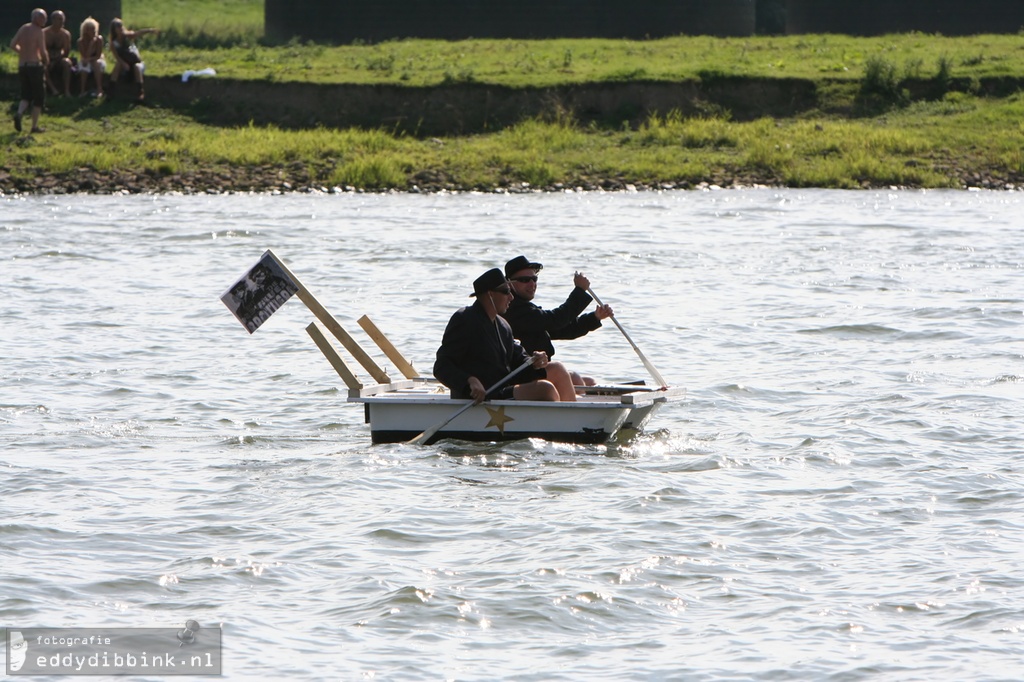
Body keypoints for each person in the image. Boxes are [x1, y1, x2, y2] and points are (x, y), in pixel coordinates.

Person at [434, 268, 576, 403]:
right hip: (482, 396)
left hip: (502, 389)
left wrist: (535, 361)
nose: (511, 297)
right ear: (490, 294)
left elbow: (519, 359)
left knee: (557, 369)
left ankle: (574, 422)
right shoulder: (465, 319)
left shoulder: (503, 325)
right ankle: (561, 425)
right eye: (507, 291)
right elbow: (442, 366)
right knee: (545, 389)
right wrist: (469, 381)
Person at [503, 255, 614, 387]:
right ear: (509, 283)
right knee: (576, 379)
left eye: (534, 279)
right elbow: (556, 320)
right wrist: (579, 291)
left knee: (589, 382)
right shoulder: (513, 309)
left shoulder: (526, 310)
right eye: (525, 280)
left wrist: (595, 317)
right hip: (519, 375)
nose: (532, 284)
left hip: (536, 371)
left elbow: (562, 329)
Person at [10, 8, 49, 134]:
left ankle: (19, 113)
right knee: (39, 97)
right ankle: (34, 126)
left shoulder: (23, 28)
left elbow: (12, 44)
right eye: (42, 17)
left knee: (26, 94)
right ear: (36, 18)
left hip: (22, 65)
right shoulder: (39, 31)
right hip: (34, 66)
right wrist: (46, 61)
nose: (45, 20)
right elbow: (42, 51)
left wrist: (22, 52)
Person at [109, 18, 158, 102]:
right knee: (118, 65)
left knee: (136, 67)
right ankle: (111, 90)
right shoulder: (113, 43)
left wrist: (150, 30)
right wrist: (124, 64)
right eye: (118, 27)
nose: (120, 29)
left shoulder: (128, 36)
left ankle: (140, 92)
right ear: (114, 30)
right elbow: (117, 57)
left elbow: (138, 33)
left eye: (121, 26)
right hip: (125, 64)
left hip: (136, 62)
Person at [44, 10, 73, 97]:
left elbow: (66, 51)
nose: (61, 21)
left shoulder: (65, 34)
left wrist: (57, 59)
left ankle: (67, 90)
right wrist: (48, 60)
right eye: (59, 19)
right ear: (53, 20)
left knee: (67, 63)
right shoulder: (44, 33)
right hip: (46, 58)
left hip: (59, 58)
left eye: (62, 19)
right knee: (43, 67)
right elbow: (40, 49)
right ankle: (53, 90)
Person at [76, 16, 105, 97]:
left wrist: (93, 44)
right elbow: (84, 56)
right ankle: (82, 90)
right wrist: (90, 46)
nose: (93, 31)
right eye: (90, 29)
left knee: (96, 63)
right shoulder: (80, 41)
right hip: (86, 59)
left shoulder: (99, 39)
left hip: (96, 59)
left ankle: (99, 89)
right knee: (84, 67)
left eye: (94, 28)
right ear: (85, 30)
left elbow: (98, 55)